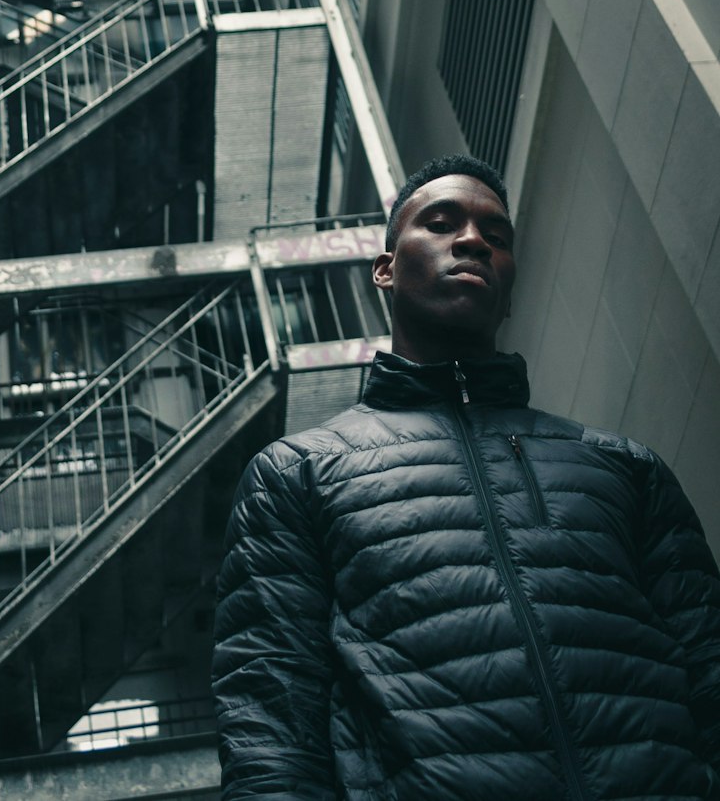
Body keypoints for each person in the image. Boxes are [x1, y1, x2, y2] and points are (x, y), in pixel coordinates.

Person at [212, 154, 720, 800]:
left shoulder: (624, 465)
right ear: (386, 270)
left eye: (497, 237)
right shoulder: (298, 473)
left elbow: (709, 666)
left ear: (508, 289)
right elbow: (271, 719)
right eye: (443, 222)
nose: (475, 240)